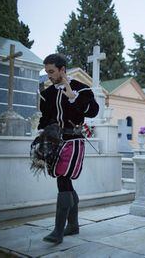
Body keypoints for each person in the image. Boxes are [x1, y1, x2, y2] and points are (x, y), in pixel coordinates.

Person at [38, 53, 99, 244]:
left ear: (62, 69)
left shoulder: (82, 89)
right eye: (47, 71)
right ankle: (72, 225)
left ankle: (58, 231)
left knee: (63, 179)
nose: (49, 75)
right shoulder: (47, 94)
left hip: (73, 140)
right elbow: (45, 118)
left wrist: (73, 97)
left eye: (52, 71)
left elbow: (94, 111)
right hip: (54, 141)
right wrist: (42, 134)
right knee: (63, 179)